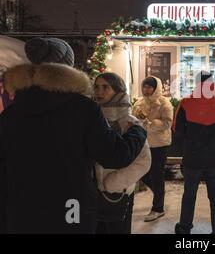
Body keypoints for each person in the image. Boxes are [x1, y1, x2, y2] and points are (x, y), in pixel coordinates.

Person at [0, 38, 147, 233]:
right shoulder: (82, 109)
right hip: (70, 208)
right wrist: (137, 131)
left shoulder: (12, 112)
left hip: (22, 209)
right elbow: (114, 155)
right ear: (67, 69)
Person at [173, 71, 215, 234]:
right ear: (212, 82)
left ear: (196, 83)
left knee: (189, 195)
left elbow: (177, 129)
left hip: (192, 159)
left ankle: (184, 228)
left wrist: (189, 146)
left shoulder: (186, 102)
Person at [93, 73, 151, 234]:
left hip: (119, 192)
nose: (99, 92)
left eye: (106, 87)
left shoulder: (129, 122)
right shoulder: (90, 120)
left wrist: (113, 183)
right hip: (91, 193)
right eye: (97, 87)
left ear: (118, 91)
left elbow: (144, 161)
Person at [133, 76, 173, 222]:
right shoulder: (139, 102)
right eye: (145, 86)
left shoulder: (164, 103)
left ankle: (158, 208)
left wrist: (150, 123)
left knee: (157, 174)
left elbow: (167, 123)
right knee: (141, 172)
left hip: (159, 144)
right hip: (142, 143)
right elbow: (132, 121)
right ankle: (159, 194)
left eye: (150, 86)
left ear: (156, 88)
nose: (146, 89)